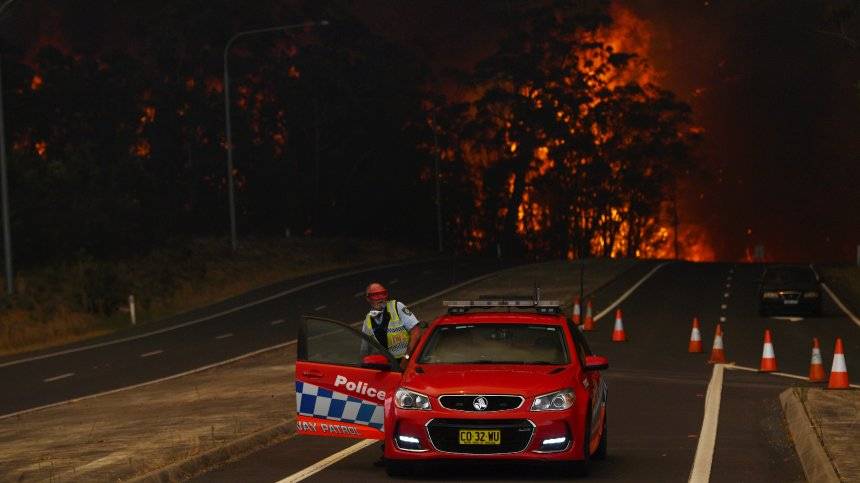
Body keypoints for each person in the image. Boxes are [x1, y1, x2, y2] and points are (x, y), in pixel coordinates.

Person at [361, 282, 423, 362]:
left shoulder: (397, 307)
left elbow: (416, 333)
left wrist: (406, 358)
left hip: (408, 361)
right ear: (368, 298)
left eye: (383, 294)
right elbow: (364, 351)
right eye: (375, 295)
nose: (380, 298)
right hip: (388, 366)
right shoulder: (367, 320)